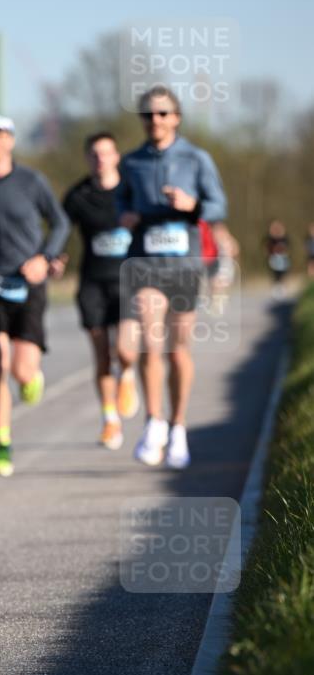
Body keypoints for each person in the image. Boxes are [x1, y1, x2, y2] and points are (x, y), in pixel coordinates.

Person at [116, 85, 227, 469]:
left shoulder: (197, 158)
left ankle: (178, 427)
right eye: (148, 115)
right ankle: (154, 423)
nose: (155, 121)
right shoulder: (131, 163)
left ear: (176, 118)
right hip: (145, 263)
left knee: (177, 351)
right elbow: (121, 202)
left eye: (163, 114)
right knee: (150, 339)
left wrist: (191, 205)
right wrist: (125, 216)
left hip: (184, 265)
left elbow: (218, 205)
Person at [0, 114, 69, 476]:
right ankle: (2, 443)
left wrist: (44, 258)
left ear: (11, 141)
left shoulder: (31, 181)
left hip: (28, 283)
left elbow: (59, 222)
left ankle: (32, 378)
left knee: (21, 369)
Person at [63, 132, 139, 450]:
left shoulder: (132, 190)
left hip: (129, 281)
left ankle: (129, 375)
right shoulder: (78, 195)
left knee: (124, 350)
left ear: (116, 156)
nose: (100, 159)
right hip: (92, 282)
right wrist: (55, 256)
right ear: (88, 158)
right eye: (94, 154)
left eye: (106, 153)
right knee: (102, 355)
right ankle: (110, 420)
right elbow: (60, 230)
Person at [264, 220, 290, 296]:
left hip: (282, 258)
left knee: (282, 273)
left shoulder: (284, 238)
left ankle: (282, 287)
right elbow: (266, 246)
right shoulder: (270, 238)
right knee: (274, 273)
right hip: (274, 258)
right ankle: (275, 288)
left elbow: (287, 246)